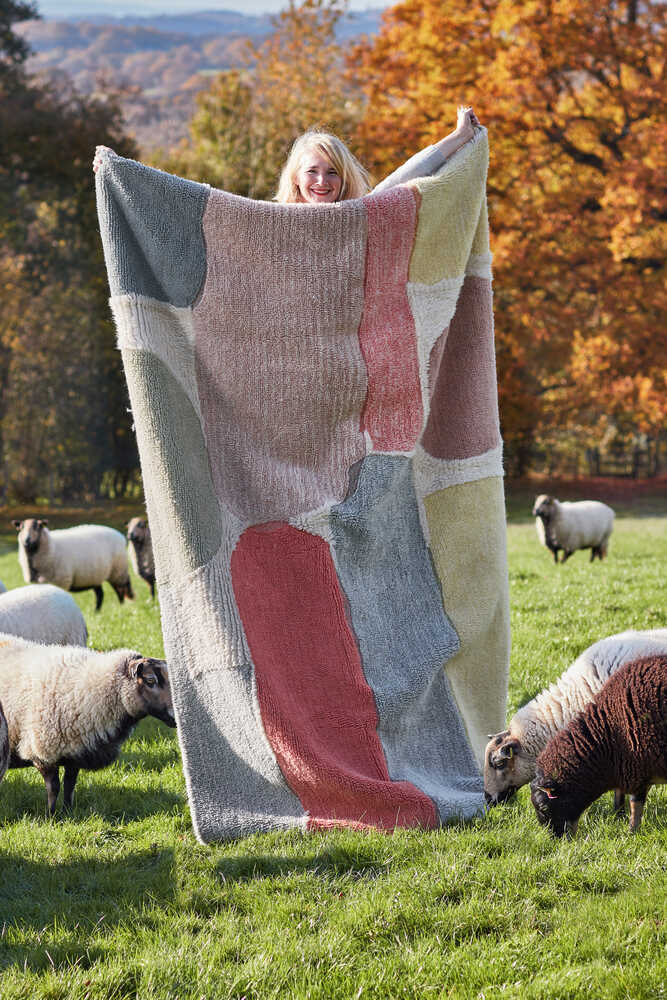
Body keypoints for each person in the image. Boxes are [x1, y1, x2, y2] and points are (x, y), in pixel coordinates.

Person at [273, 106, 481, 205]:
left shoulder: (359, 214)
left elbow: (406, 176)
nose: (322, 181)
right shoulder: (273, 222)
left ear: (344, 178)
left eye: (332, 172)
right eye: (312, 171)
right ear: (295, 177)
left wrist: (460, 136)